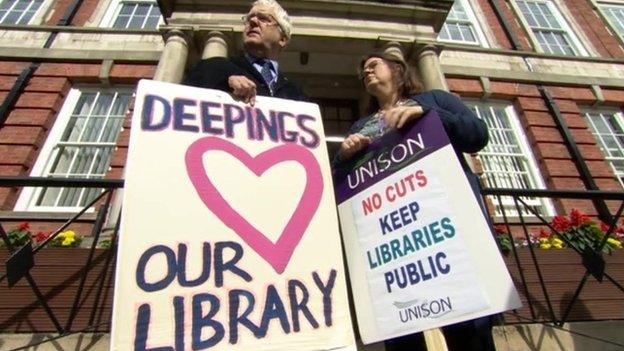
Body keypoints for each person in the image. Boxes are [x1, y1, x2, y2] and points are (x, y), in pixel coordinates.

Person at [334, 50, 493, 351]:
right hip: (394, 248)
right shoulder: (360, 126)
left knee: (470, 332)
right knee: (402, 337)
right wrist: (343, 156)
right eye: (362, 71)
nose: (366, 72)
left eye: (372, 66)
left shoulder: (435, 100)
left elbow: (478, 136)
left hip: (446, 237)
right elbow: (343, 182)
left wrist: (430, 116)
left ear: (397, 70)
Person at [183, 0, 307, 103]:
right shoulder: (214, 67)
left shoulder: (296, 93)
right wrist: (224, 82)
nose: (252, 22)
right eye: (249, 19)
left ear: (283, 39)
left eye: (263, 19)